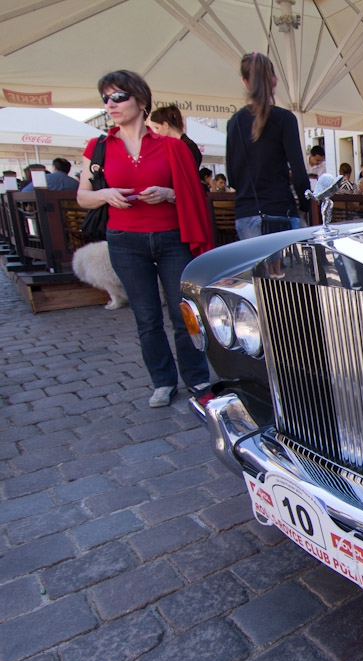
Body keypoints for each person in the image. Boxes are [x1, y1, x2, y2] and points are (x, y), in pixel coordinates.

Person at [77, 69, 213, 409]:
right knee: (146, 316)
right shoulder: (98, 147)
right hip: (125, 240)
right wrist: (105, 193)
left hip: (170, 238)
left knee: (183, 312)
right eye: (105, 98)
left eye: (118, 97)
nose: (110, 104)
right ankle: (163, 381)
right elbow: (83, 197)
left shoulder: (170, 146)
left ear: (141, 100)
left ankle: (196, 376)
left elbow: (193, 195)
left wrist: (169, 193)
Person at [226, 52, 310, 240]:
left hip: (245, 213)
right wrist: (305, 206)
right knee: (293, 269)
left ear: (244, 82)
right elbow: (299, 173)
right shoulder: (285, 119)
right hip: (280, 210)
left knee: (256, 269)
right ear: (274, 81)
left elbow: (232, 177)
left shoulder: (234, 123)